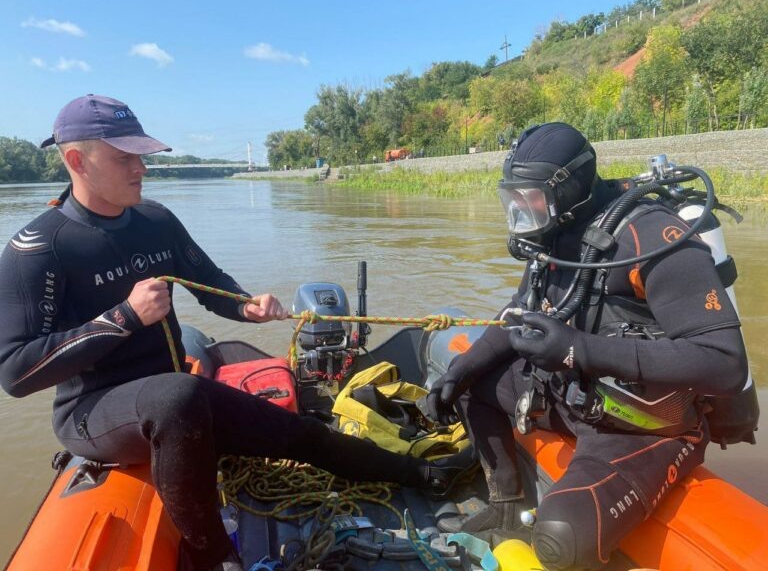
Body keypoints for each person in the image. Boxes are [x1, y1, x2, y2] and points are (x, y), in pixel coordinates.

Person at [0, 95, 467, 571]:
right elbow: (15, 372)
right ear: (77, 160)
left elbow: (210, 282)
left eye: (141, 155)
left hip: (176, 399)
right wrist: (123, 317)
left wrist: (246, 305)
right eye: (125, 158)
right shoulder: (38, 250)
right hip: (93, 411)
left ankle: (421, 472)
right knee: (176, 396)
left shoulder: (155, 221)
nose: (141, 168)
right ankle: (214, 557)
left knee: (299, 433)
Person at [425, 122, 748, 570]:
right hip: (569, 394)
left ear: (568, 189)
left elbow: (726, 363)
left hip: (639, 426)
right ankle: (506, 507)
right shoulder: (553, 234)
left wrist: (579, 348)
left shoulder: (653, 238)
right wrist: (460, 369)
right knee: (467, 383)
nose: (521, 212)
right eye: (513, 199)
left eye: (530, 198)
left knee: (561, 538)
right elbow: (520, 311)